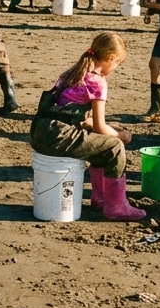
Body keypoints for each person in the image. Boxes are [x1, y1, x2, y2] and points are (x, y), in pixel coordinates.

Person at [29, 32, 145, 221]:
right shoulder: (97, 82)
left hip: (41, 132)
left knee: (100, 144)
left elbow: (79, 118)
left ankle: (100, 198)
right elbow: (99, 127)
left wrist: (106, 129)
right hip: (58, 137)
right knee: (114, 147)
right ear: (111, 58)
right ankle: (116, 207)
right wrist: (120, 136)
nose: (116, 67)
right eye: (118, 63)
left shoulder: (73, 73)